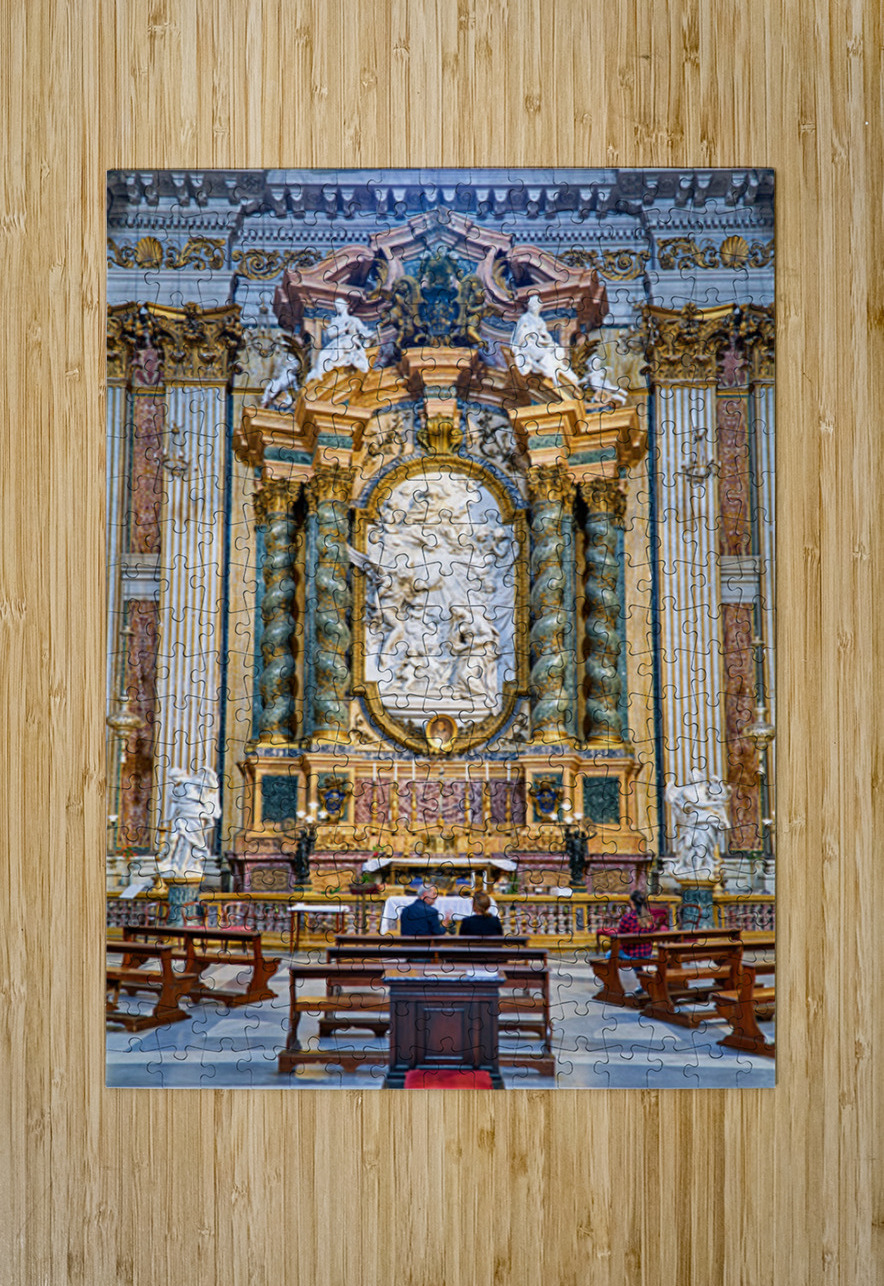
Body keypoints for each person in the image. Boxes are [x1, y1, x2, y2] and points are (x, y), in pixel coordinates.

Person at [608, 890, 667, 997]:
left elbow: (619, 936)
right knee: (636, 954)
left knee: (609, 955)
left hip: (631, 953)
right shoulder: (649, 917)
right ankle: (642, 984)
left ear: (631, 903)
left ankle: (612, 984)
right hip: (646, 953)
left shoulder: (627, 918)